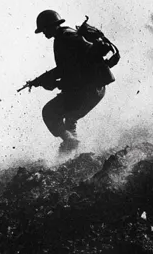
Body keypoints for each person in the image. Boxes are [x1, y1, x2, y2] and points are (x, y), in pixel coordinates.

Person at [31, 10, 112, 154]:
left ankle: (70, 141)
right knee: (70, 119)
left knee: (49, 112)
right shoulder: (67, 35)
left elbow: (66, 68)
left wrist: (44, 80)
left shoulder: (66, 37)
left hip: (87, 89)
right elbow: (71, 67)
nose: (44, 33)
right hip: (95, 89)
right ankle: (72, 154)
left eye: (45, 29)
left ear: (53, 26)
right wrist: (45, 80)